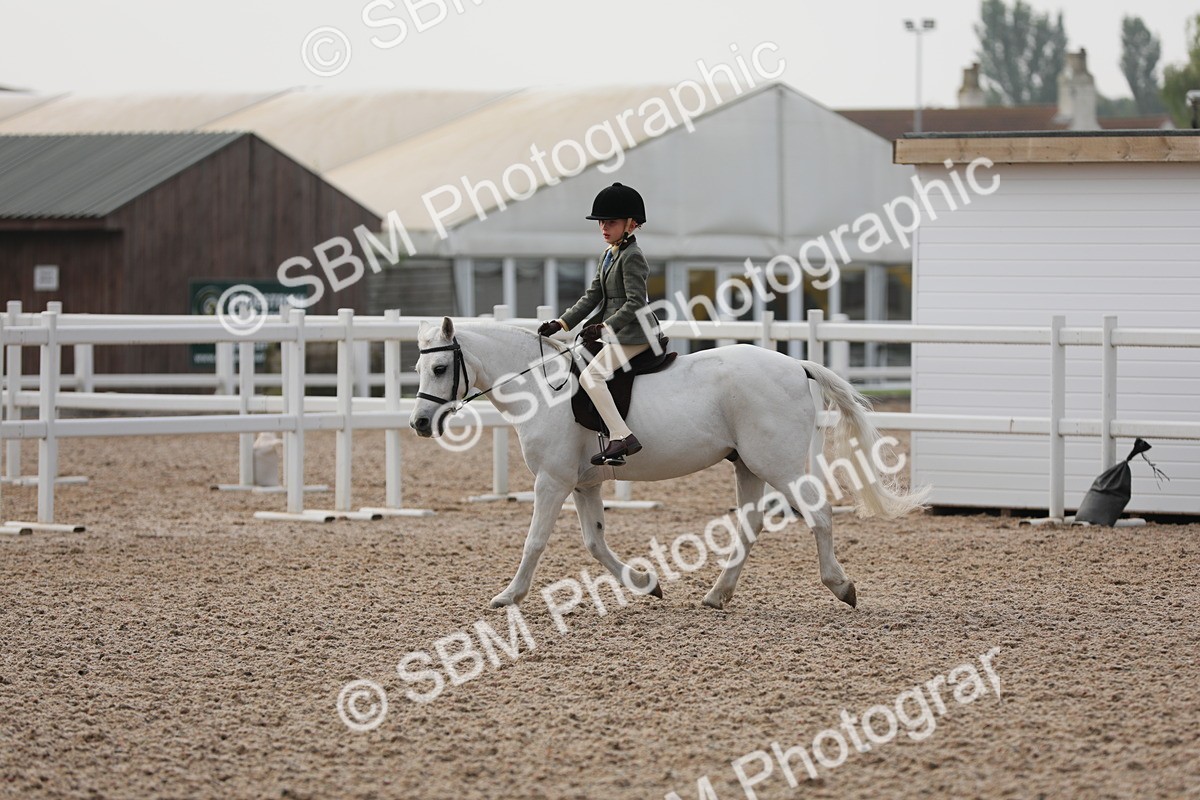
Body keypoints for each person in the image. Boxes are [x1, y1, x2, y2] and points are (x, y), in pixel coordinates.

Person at [538, 182, 658, 465]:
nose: (604, 227)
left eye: (611, 222)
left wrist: (605, 328)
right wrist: (562, 323)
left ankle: (622, 436)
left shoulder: (632, 256)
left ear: (631, 224)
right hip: (616, 332)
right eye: (601, 222)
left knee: (591, 377)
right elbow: (593, 296)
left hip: (635, 333)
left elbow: (636, 302)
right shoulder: (608, 254)